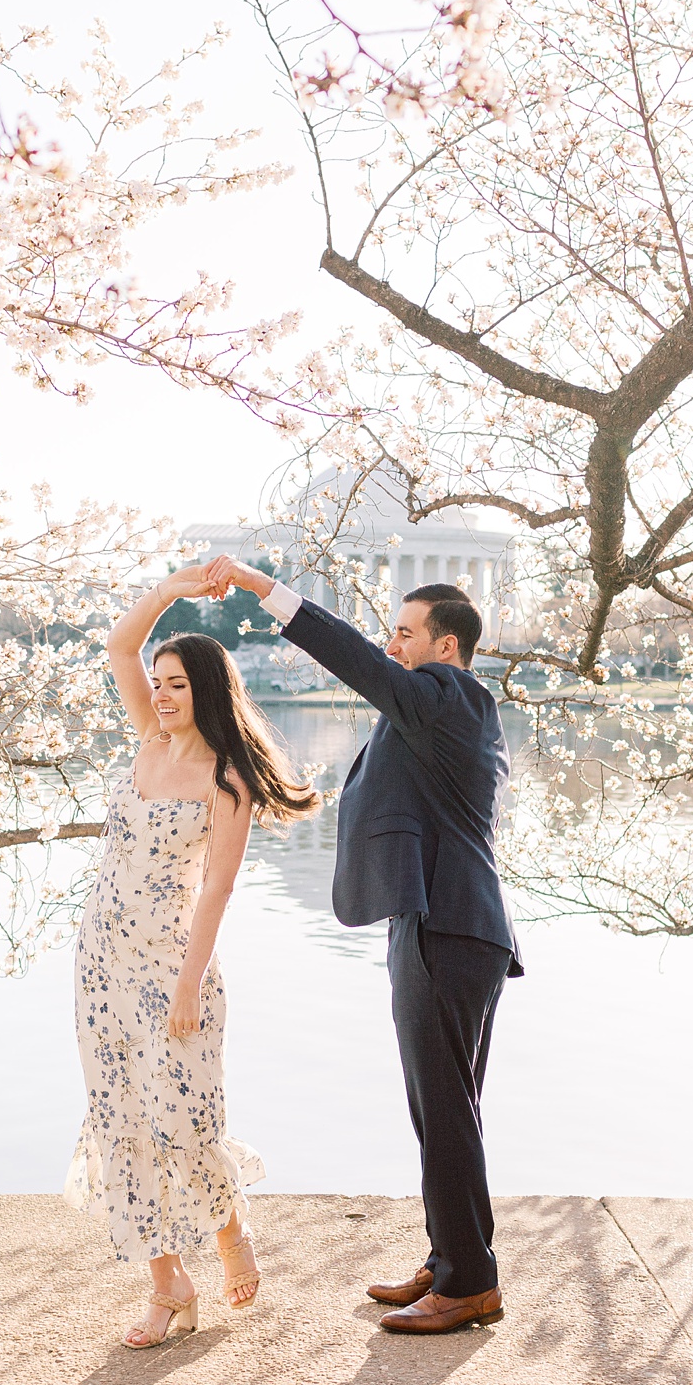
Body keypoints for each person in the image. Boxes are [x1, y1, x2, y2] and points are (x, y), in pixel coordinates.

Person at [207, 554, 521, 1336]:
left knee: (443, 1107)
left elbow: (350, 657)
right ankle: (453, 1258)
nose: (391, 646)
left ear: (445, 647)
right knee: (447, 1109)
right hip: (444, 922)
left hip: (444, 925)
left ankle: (469, 1283)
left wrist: (262, 589)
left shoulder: (446, 695)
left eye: (405, 634)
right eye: (391, 632)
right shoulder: (446, 709)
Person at [66, 564, 320, 1349]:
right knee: (122, 1122)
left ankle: (229, 1222)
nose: (164, 693)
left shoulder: (228, 777)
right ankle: (167, 1283)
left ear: (206, 690)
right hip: (99, 962)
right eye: (160, 682)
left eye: (178, 684)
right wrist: (176, 585)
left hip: (171, 968)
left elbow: (215, 892)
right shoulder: (146, 736)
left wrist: (185, 984)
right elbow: (119, 642)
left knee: (180, 1122)